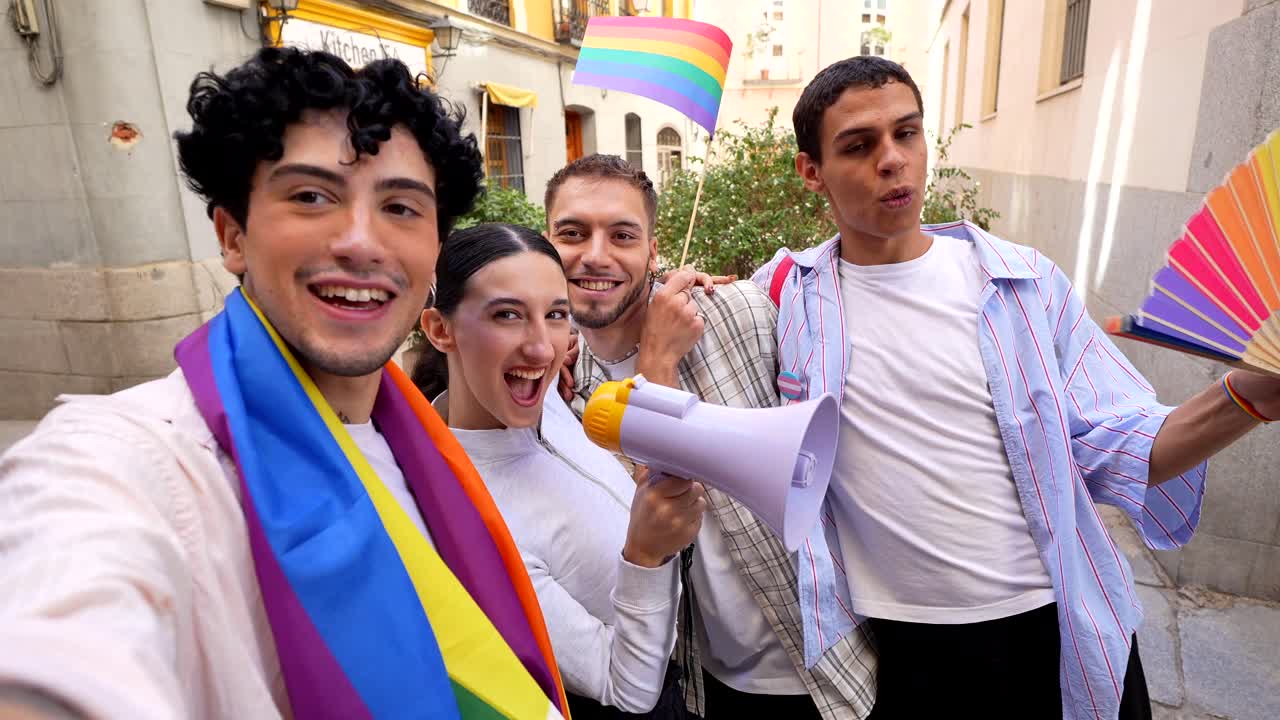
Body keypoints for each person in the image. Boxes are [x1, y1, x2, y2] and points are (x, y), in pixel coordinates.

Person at [0, 48, 570, 719]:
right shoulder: (134, 458)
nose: (361, 242)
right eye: (311, 196)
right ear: (233, 235)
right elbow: (61, 631)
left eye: (402, 208)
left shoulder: (420, 438)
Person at [751, 55, 1280, 720]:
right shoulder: (786, 298)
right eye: (859, 146)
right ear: (812, 172)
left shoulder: (1022, 286)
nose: (893, 160)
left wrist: (1252, 394)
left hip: (1048, 628)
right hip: (903, 652)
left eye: (907, 134)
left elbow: (1124, 446)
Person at [548, 155, 877, 720]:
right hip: (707, 681)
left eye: (622, 235)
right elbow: (636, 531)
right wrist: (656, 367)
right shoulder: (558, 383)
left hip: (827, 661)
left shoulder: (738, 313)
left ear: (653, 252)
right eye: (572, 233)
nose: (595, 255)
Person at [411, 222, 707, 718]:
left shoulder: (541, 396)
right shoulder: (465, 519)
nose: (542, 347)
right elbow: (627, 687)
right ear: (441, 329)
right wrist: (646, 553)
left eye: (555, 314)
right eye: (507, 314)